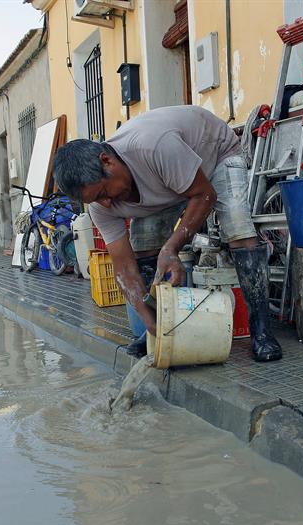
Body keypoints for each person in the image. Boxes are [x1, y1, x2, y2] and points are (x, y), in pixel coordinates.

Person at [52, 105, 282, 362]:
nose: (105, 204)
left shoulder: (154, 146)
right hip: (166, 183)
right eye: (95, 201)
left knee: (239, 228)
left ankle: (261, 331)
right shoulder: (99, 204)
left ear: (107, 161)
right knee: (144, 246)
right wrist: (148, 320)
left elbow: (205, 195)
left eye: (103, 193)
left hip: (215, 156)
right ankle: (161, 326)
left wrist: (171, 248)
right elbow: (124, 268)